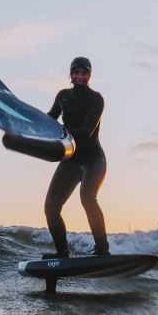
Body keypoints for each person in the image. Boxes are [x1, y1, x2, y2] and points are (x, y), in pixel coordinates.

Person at [43, 56, 109, 258]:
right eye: (76, 72)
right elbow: (48, 120)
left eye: (84, 73)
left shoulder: (96, 99)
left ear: (89, 75)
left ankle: (102, 250)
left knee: (87, 197)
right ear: (71, 75)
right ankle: (62, 253)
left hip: (93, 159)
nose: (80, 76)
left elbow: (87, 130)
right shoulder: (63, 96)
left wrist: (61, 130)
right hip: (71, 159)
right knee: (51, 207)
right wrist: (23, 124)